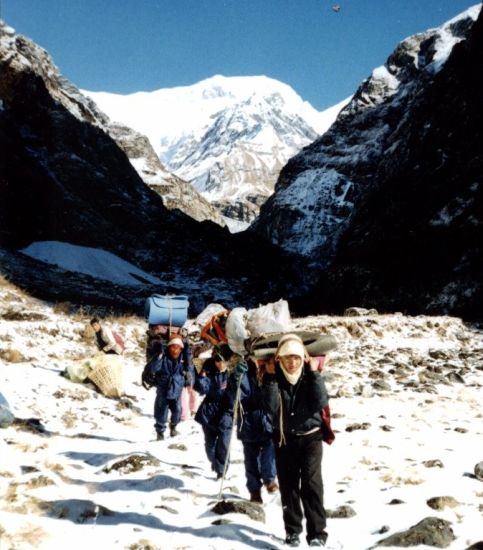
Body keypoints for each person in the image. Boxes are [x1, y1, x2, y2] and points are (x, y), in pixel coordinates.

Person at [262, 333, 332, 548]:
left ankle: (317, 533)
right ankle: (292, 531)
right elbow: (271, 409)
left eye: (296, 358)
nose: (292, 363)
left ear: (303, 358)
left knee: (311, 484)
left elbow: (320, 401)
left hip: (311, 438)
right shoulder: (273, 378)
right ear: (279, 360)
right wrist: (272, 378)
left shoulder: (310, 376)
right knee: (289, 485)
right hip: (285, 439)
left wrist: (313, 374)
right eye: (287, 358)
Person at [224, 357, 278, 503]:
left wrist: (271, 375)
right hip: (248, 422)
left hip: (267, 422)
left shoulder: (273, 368)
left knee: (270, 451)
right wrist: (236, 377)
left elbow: (273, 402)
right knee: (251, 460)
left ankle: (269, 479)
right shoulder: (247, 369)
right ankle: (254, 491)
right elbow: (240, 395)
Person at [142, 335, 194, 440]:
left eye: (178, 347)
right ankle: (160, 433)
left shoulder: (183, 361)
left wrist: (187, 351)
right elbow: (153, 368)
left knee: (178, 411)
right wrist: (159, 355)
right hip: (163, 390)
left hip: (176, 390)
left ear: (181, 349)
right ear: (168, 347)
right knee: (161, 413)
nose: (175, 350)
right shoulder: (163, 359)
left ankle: (173, 427)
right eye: (173, 347)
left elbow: (189, 369)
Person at [193, 352, 232, 480]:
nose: (220, 364)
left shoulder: (232, 373)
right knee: (210, 446)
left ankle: (221, 471)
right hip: (209, 411)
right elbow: (202, 390)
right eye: (217, 361)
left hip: (226, 411)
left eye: (223, 361)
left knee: (224, 444)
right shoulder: (209, 372)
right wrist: (202, 376)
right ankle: (215, 463)